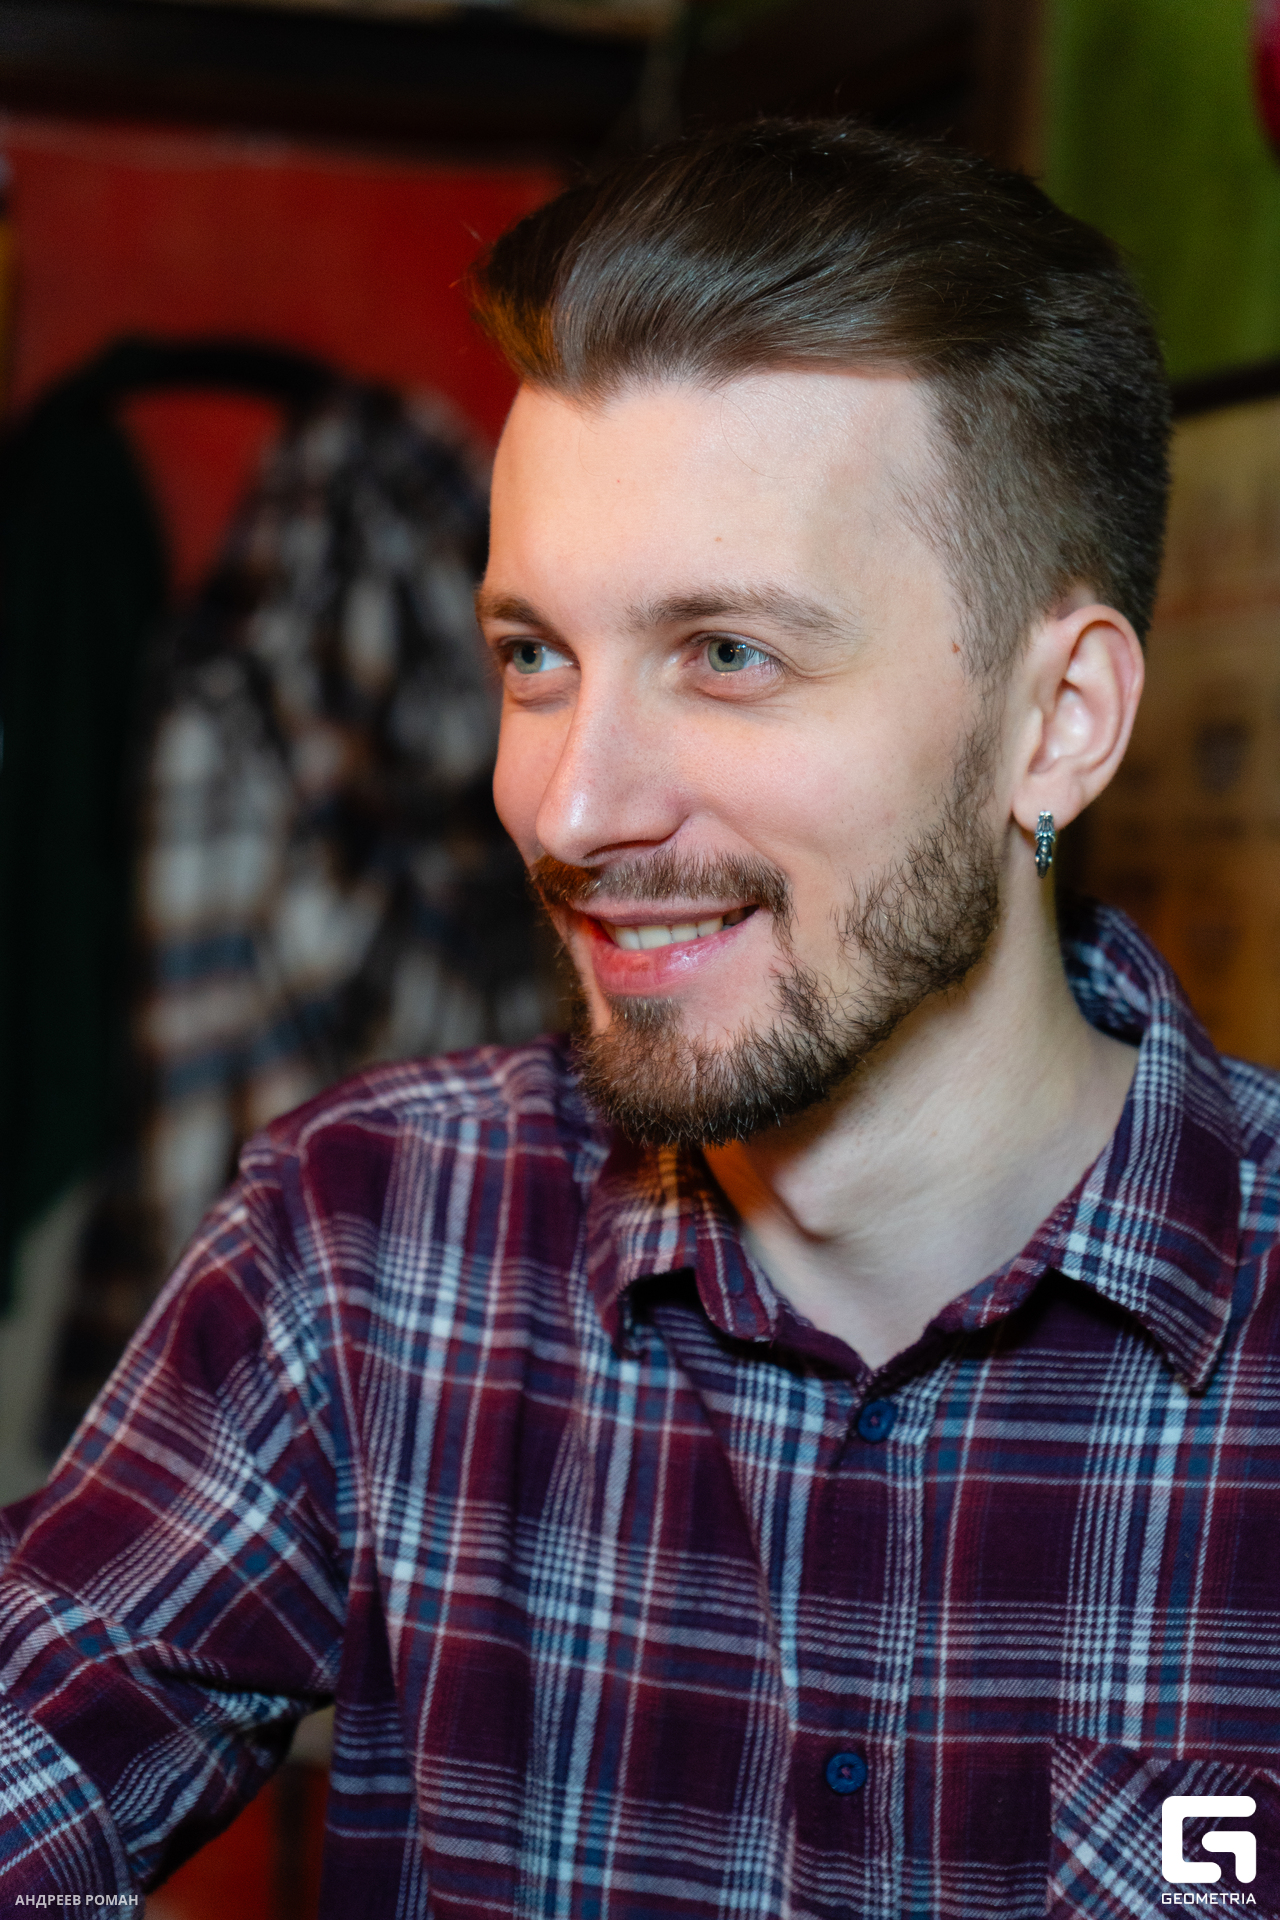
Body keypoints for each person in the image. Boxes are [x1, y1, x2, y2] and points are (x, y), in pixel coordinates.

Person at [1, 117, 1275, 1919]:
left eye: (727, 655)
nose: (572, 806)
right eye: (535, 657)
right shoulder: (371, 1236)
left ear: (1057, 721)